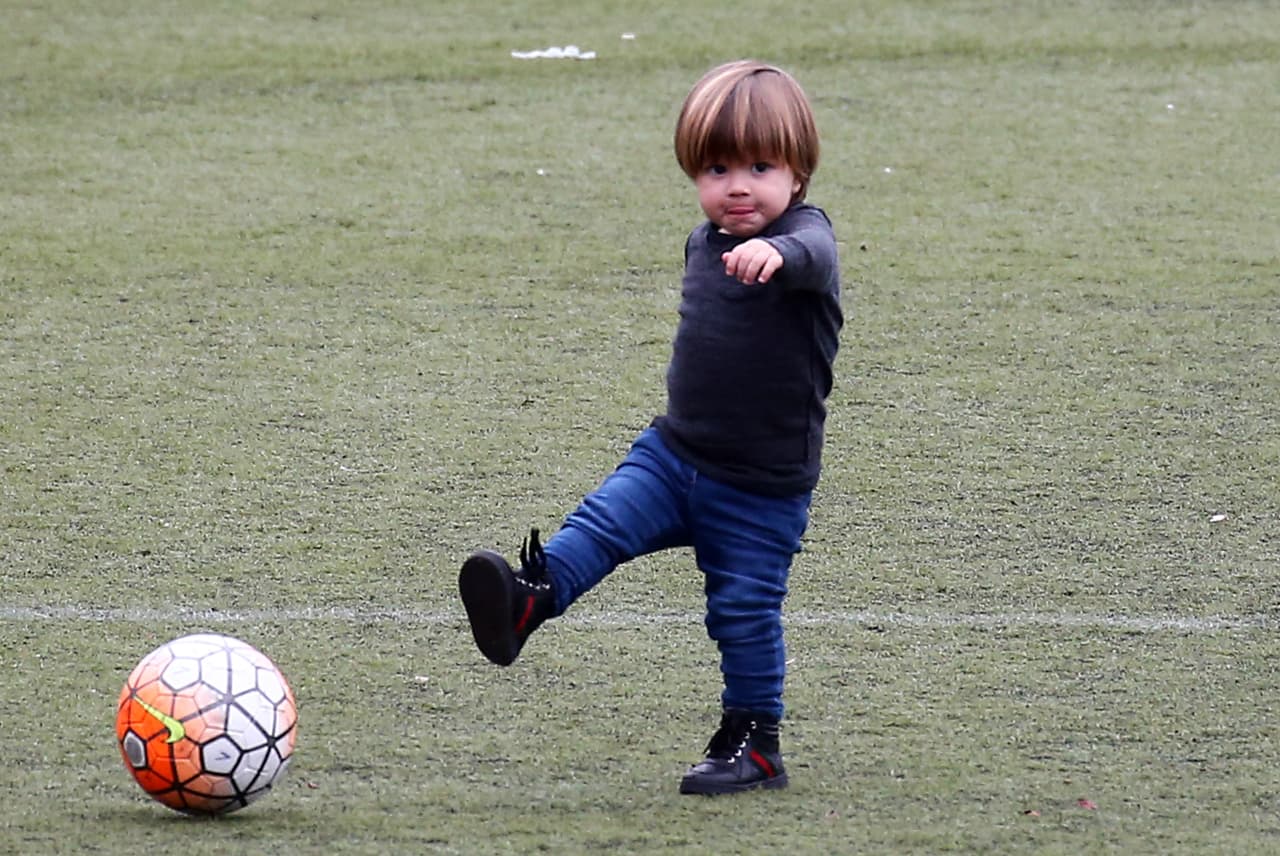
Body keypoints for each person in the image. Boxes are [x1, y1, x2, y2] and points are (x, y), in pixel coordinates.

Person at [458, 59, 842, 795]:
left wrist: (779, 251)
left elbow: (816, 255)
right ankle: (526, 601)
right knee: (597, 526)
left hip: (760, 489)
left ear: (798, 175)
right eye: (717, 167)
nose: (736, 185)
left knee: (743, 611)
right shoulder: (704, 242)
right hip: (673, 455)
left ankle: (755, 742)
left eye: (760, 166)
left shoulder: (805, 241)